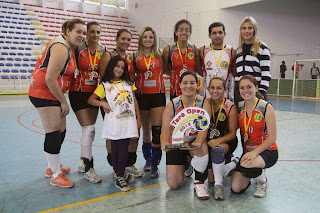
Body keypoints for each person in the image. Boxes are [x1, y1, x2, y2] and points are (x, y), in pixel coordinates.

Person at [29, 18, 87, 188]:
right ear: (68, 31)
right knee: (53, 132)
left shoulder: (67, 46)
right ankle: (55, 174)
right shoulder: (61, 47)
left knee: (61, 131)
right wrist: (64, 102)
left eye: (84, 33)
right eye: (78, 31)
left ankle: (52, 166)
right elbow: (50, 78)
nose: (82, 36)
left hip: (52, 92)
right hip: (45, 92)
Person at [88, 56, 141, 191]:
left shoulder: (128, 83)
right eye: (117, 66)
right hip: (114, 122)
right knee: (117, 148)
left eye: (122, 68)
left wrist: (138, 119)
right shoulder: (105, 85)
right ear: (111, 67)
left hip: (128, 121)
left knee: (124, 147)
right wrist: (103, 103)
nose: (119, 69)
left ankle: (120, 175)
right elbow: (91, 100)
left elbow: (134, 101)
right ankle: (119, 175)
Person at [68, 21, 109, 183]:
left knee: (89, 132)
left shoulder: (103, 50)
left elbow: (104, 74)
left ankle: (82, 161)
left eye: (98, 32)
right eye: (92, 32)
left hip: (94, 94)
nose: (95, 35)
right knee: (89, 128)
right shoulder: (78, 49)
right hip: (78, 93)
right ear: (86, 34)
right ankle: (88, 168)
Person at [101, 29, 144, 178]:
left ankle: (127, 164)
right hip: (112, 102)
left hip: (126, 99)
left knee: (130, 134)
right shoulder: (109, 55)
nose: (126, 42)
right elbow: (103, 79)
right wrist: (105, 103)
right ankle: (115, 166)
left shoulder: (130, 57)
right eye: (123, 39)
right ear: (116, 38)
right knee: (113, 136)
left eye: (128, 40)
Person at [161, 71, 209, 200]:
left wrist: (198, 142)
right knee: (173, 184)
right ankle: (187, 163)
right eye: (185, 83)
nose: (189, 86)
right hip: (178, 144)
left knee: (202, 147)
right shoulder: (173, 104)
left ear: (197, 85)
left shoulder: (203, 102)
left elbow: (204, 129)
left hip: (194, 142)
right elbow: (165, 129)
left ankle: (199, 182)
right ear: (180, 85)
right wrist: (164, 142)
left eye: (192, 83)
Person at [231, 75, 278, 198]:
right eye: (242, 88)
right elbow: (232, 129)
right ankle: (252, 171)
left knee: (248, 164)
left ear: (256, 88)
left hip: (267, 151)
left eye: (249, 87)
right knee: (236, 188)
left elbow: (272, 137)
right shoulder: (240, 107)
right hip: (248, 152)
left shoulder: (266, 107)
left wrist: (254, 153)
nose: (245, 91)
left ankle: (262, 180)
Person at [131, 27, 166, 178]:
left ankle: (155, 164)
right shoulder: (134, 56)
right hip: (141, 95)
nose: (148, 40)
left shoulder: (160, 55)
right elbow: (131, 77)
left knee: (156, 129)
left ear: (154, 39)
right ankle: (148, 159)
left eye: (150, 37)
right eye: (145, 37)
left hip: (158, 95)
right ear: (141, 38)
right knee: (145, 129)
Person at [202, 77, 238, 200]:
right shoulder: (204, 103)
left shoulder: (230, 107)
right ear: (208, 89)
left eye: (219, 88)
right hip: (209, 142)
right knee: (210, 179)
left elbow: (233, 133)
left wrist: (218, 141)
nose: (215, 91)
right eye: (212, 87)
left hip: (226, 141)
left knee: (217, 151)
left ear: (225, 90)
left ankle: (219, 186)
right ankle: (232, 164)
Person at [162, 19, 201, 100]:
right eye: (181, 30)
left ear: (190, 33)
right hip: (175, 92)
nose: (184, 33)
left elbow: (198, 69)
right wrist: (176, 74)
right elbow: (164, 69)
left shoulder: (194, 49)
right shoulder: (169, 49)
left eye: (187, 30)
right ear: (176, 32)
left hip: (192, 91)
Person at [234, 16, 271, 103]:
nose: (246, 31)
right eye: (244, 28)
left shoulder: (262, 48)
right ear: (241, 31)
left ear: (254, 30)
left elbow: (266, 74)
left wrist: (261, 92)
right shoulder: (238, 50)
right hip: (240, 93)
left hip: (256, 93)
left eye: (250, 28)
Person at [200, 22, 236, 101]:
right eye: (214, 33)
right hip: (207, 95)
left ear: (224, 34)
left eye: (220, 32)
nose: (217, 35)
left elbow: (234, 72)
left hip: (226, 95)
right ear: (209, 35)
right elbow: (199, 70)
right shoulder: (203, 50)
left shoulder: (231, 51)